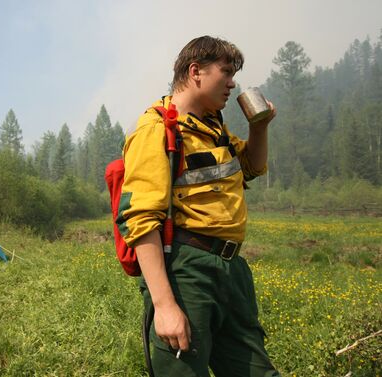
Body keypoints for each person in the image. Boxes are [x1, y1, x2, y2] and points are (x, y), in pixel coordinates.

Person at [117, 36, 281, 376]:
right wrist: (164, 306)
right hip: (186, 270)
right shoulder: (157, 128)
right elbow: (140, 219)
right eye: (226, 72)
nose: (233, 83)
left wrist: (258, 126)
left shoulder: (213, 128)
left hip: (232, 270)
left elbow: (252, 165)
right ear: (196, 72)